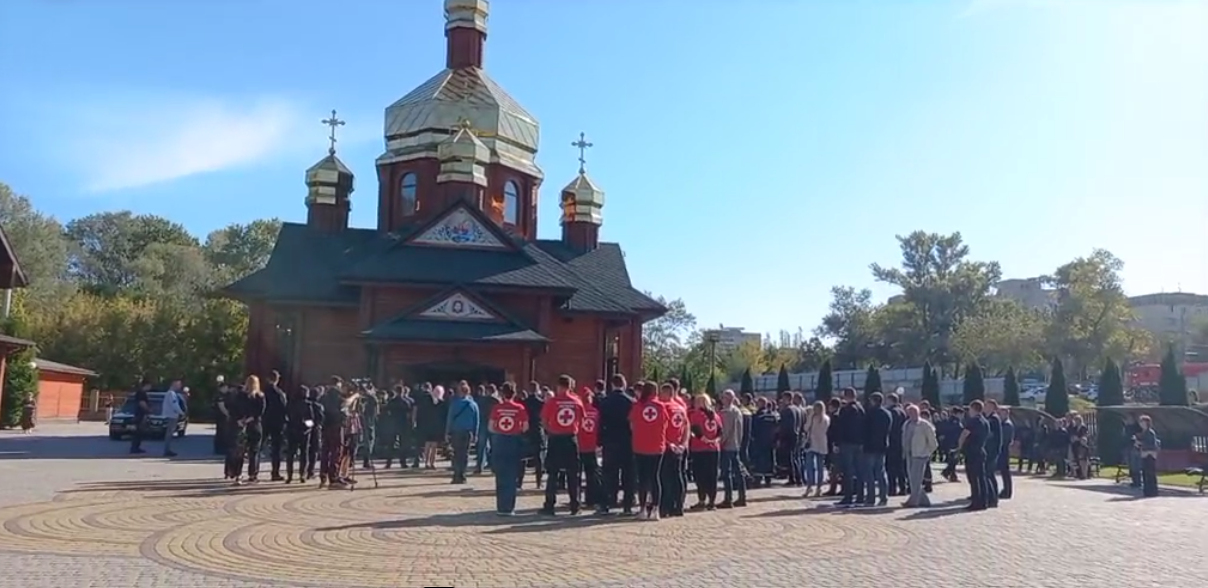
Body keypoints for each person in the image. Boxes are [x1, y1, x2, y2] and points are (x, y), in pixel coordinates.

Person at [539, 375, 586, 516]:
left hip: (555, 439)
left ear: (559, 386)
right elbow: (582, 420)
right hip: (571, 439)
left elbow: (544, 420)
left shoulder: (552, 402)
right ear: (570, 386)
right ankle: (575, 506)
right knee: (573, 473)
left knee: (553, 473)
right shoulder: (577, 401)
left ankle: (549, 506)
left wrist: (550, 431)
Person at [488, 382, 529, 515]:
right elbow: (525, 427)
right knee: (512, 476)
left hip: (500, 442)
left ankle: (500, 507)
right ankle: (509, 507)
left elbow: (490, 427)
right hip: (514, 442)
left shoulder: (497, 408)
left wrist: (499, 432)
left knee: (500, 475)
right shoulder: (520, 408)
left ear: (502, 393)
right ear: (514, 393)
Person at [597, 374, 636, 515]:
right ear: (624, 385)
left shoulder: (605, 401)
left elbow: (600, 423)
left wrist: (599, 441)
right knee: (628, 474)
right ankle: (627, 505)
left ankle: (607, 503)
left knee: (608, 473)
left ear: (612, 385)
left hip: (610, 441)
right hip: (627, 442)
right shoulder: (631, 402)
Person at [630, 381, 669, 520]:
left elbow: (632, 425)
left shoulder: (637, 406)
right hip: (657, 446)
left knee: (642, 479)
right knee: (655, 477)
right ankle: (655, 510)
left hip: (640, 446)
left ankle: (642, 510)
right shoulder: (661, 406)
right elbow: (665, 424)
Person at [658, 382, 690, 517]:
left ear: (666, 393)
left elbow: (660, 428)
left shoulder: (663, 407)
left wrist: (668, 443)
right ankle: (679, 506)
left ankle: (665, 507)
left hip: (666, 447)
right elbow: (687, 427)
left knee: (664, 478)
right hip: (678, 448)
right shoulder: (681, 408)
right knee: (677, 476)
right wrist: (683, 444)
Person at [688, 394, 722, 510]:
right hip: (714, 449)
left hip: (699, 449)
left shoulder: (696, 415)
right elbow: (720, 432)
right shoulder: (716, 415)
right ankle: (712, 502)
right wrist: (714, 440)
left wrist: (705, 440)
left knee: (700, 476)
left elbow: (695, 431)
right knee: (712, 475)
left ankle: (702, 500)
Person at [833, 388, 865, 506]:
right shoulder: (861, 409)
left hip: (847, 443)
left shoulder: (845, 410)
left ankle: (848, 497)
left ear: (846, 396)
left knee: (848, 471)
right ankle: (860, 496)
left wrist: (837, 443)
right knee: (859, 471)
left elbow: (841, 428)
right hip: (859, 443)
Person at [902, 405, 938, 508]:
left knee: (916, 479)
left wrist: (928, 452)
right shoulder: (906, 424)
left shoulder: (924, 425)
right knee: (912, 479)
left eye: (913, 412)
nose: (911, 415)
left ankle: (913, 501)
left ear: (918, 413)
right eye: (909, 413)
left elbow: (933, 442)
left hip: (920, 454)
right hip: (909, 454)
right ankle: (924, 500)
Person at [285, 385, 322, 483]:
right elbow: (310, 418)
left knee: (290, 453)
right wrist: (308, 427)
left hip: (292, 430)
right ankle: (302, 474)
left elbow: (287, 416)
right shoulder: (307, 405)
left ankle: (289, 475)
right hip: (304, 432)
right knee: (304, 453)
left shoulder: (290, 404)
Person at [233, 375, 267, 484]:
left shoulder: (240, 396)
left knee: (240, 452)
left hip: (242, 426)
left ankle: (238, 475)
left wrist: (239, 420)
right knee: (254, 451)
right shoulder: (260, 397)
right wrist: (250, 419)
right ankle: (252, 475)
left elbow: (234, 409)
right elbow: (260, 412)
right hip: (255, 425)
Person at [958, 400, 991, 511]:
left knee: (974, 478)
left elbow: (964, 434)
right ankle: (984, 502)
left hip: (972, 452)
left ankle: (976, 502)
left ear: (973, 409)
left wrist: (959, 446)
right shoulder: (985, 421)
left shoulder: (973, 421)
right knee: (981, 478)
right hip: (981, 450)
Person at [445, 382, 480, 485]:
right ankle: (463, 475)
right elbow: (477, 421)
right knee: (465, 454)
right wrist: (475, 434)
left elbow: (450, 418)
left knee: (456, 454)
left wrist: (447, 432)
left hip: (456, 431)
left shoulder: (455, 404)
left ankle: (456, 475)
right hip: (468, 432)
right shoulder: (473, 405)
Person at [861, 392, 892, 507]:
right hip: (882, 445)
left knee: (869, 473)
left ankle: (870, 498)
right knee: (881, 472)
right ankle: (883, 497)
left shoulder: (870, 413)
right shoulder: (887, 414)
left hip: (870, 446)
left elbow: (865, 429)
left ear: (873, 401)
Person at [577, 387, 602, 509]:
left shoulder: (578, 412)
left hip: (578, 447)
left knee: (576, 475)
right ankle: (591, 499)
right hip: (592, 447)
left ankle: (576, 499)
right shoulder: (596, 412)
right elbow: (599, 429)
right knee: (592, 475)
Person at [263, 371, 288, 480]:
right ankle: (275, 473)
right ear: (277, 379)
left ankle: (253, 472)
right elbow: (283, 408)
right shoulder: (279, 393)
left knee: (258, 447)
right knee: (276, 449)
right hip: (277, 423)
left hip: (264, 421)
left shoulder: (263, 391)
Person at [383, 385, 416, 469]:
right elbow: (409, 415)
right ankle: (403, 462)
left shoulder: (391, 401)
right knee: (403, 444)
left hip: (393, 425)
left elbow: (387, 412)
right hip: (403, 425)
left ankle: (388, 463)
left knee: (391, 444)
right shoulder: (406, 402)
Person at [802, 400, 830, 497]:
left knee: (810, 467)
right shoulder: (827, 418)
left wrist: (810, 416)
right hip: (822, 443)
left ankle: (809, 486)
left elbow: (806, 428)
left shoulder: (813, 418)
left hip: (812, 443)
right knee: (820, 467)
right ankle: (819, 488)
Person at [414, 384, 444, 470]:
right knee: (428, 444)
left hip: (436, 426)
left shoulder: (441, 403)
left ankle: (432, 462)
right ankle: (427, 462)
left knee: (434, 446)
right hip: (427, 425)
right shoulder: (426, 400)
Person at [885, 392, 907, 496]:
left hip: (891, 442)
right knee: (900, 466)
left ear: (890, 400)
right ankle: (903, 487)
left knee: (890, 467)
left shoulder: (890, 412)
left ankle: (892, 488)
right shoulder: (902, 412)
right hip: (900, 441)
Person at [474, 384, 499, 474]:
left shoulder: (481, 400)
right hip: (494, 425)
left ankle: (479, 467)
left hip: (483, 424)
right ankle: (494, 467)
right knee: (494, 447)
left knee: (481, 447)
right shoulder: (497, 401)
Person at [1135, 414, 1160, 497]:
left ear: (1146, 423)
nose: (1141, 424)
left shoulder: (1150, 433)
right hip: (1144, 454)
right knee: (1145, 474)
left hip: (1149, 455)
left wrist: (1141, 444)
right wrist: (1138, 444)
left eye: (1142, 422)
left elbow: (1152, 445)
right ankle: (1147, 491)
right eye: (1140, 422)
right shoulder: (1143, 432)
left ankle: (1152, 491)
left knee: (1150, 474)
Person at [984, 399, 1002, 507]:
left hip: (992, 450)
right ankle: (991, 497)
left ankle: (993, 498)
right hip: (989, 449)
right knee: (989, 474)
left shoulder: (993, 419)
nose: (985, 407)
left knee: (988, 474)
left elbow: (991, 435)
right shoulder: (988, 418)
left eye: (987, 406)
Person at [129, 379, 153, 455]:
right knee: (138, 432)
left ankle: (136, 447)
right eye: (149, 385)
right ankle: (134, 448)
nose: (150, 387)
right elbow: (142, 403)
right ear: (146, 385)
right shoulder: (141, 393)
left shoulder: (141, 392)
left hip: (140, 414)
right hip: (140, 415)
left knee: (139, 432)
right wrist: (148, 410)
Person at [997, 405, 1015, 500]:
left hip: (1004, 449)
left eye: (1001, 413)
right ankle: (1006, 490)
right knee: (1004, 471)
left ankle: (1007, 491)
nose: (1000, 415)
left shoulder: (1007, 425)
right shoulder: (1004, 423)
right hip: (1003, 449)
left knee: (1005, 471)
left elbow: (1004, 439)